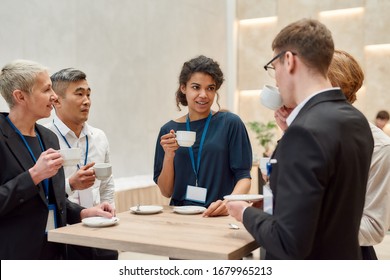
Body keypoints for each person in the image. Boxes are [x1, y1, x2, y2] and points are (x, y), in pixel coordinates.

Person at [226, 19, 374, 259]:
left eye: (274, 67)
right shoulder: (356, 120)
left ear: (289, 60)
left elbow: (289, 243)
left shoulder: (304, 132)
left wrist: (244, 213)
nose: (276, 79)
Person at [0, 59, 114, 259]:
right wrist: (34, 175)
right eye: (46, 90)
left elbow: (52, 198)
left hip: (55, 247)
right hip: (16, 253)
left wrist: (82, 213)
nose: (54, 97)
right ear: (20, 96)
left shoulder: (48, 137)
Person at [153, 55, 252, 217]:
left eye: (210, 88)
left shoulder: (230, 123)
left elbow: (244, 177)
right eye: (196, 87)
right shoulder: (168, 130)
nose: (204, 94)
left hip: (218, 214)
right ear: (183, 88)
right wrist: (169, 155)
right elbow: (166, 191)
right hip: (178, 217)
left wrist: (228, 203)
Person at [46, 68, 117, 259]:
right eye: (79, 94)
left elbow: (107, 184)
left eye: (88, 94)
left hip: (101, 228)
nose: (86, 100)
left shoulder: (99, 137)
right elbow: (43, 193)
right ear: (56, 100)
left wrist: (110, 213)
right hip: (66, 232)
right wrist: (70, 184)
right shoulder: (45, 139)